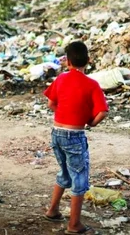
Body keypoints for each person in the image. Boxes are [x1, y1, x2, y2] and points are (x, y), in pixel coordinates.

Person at [43, 41, 109, 234]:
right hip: (75, 136)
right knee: (79, 178)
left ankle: (53, 210)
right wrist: (90, 123)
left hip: (57, 133)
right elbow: (102, 112)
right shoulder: (91, 84)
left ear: (67, 61)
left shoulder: (61, 79)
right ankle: (74, 225)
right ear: (88, 60)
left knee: (64, 172)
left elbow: (51, 104)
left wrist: (63, 115)